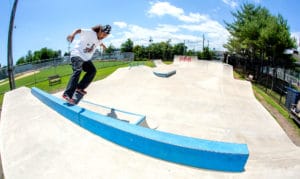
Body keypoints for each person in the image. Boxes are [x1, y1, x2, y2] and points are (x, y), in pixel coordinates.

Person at [62, 24, 111, 104]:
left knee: (92, 71)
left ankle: (79, 88)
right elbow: (78, 30)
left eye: (106, 35)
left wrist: (104, 46)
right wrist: (72, 35)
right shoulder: (91, 33)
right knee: (78, 70)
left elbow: (100, 43)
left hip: (85, 59)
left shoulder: (100, 39)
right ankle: (67, 94)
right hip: (77, 54)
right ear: (99, 31)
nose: (103, 36)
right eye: (103, 34)